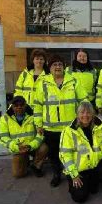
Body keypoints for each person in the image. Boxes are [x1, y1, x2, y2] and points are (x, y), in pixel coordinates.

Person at [34, 54, 88, 187]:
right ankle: (57, 174)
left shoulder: (73, 80)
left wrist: (84, 117)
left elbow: (84, 100)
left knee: (71, 151)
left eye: (60, 64)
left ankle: (72, 172)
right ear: (49, 67)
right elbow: (37, 105)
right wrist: (38, 124)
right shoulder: (43, 82)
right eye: (54, 65)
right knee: (54, 154)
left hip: (71, 127)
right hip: (51, 128)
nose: (57, 67)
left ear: (64, 67)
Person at [59, 102, 102, 203]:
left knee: (95, 189)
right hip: (78, 170)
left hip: (94, 166)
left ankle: (93, 179)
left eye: (89, 112)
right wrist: (74, 175)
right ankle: (73, 181)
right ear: (77, 114)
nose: (85, 115)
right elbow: (64, 155)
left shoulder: (101, 127)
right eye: (82, 112)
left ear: (93, 114)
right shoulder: (68, 131)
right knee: (80, 198)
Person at [0, 96, 48, 178]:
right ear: (12, 106)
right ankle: (26, 161)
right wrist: (16, 147)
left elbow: (41, 134)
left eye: (21, 105)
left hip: (32, 146)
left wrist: (31, 146)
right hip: (18, 148)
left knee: (44, 147)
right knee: (18, 175)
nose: (19, 107)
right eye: (16, 105)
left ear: (25, 105)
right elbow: (3, 138)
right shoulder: (4, 119)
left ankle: (36, 166)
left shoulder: (34, 116)